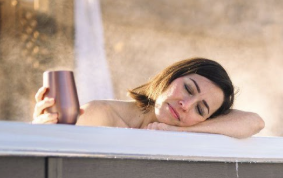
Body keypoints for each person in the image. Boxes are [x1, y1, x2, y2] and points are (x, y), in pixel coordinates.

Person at [32, 58, 264, 139]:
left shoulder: (182, 134)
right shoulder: (99, 114)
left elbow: (254, 122)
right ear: (171, 77)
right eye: (188, 89)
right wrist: (38, 133)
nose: (186, 105)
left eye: (200, 110)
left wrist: (178, 132)